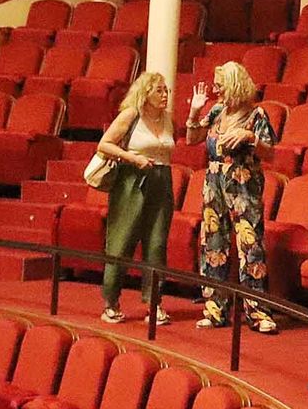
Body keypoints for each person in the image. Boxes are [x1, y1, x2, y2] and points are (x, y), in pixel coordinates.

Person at [186, 61, 279, 334]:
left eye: (220, 85)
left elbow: (270, 152)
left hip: (244, 185)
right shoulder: (216, 111)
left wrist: (249, 137)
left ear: (235, 85)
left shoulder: (256, 114)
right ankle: (214, 309)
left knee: (251, 248)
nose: (216, 90)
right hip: (214, 183)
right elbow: (192, 138)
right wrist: (193, 111)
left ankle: (258, 311)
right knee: (213, 244)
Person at [96, 71, 176, 325]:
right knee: (122, 239)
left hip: (161, 180)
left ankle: (154, 303)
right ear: (146, 93)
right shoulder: (131, 114)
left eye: (166, 91)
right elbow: (104, 144)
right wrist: (132, 158)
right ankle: (110, 301)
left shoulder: (167, 119)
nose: (165, 95)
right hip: (132, 179)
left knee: (156, 242)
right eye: (159, 91)